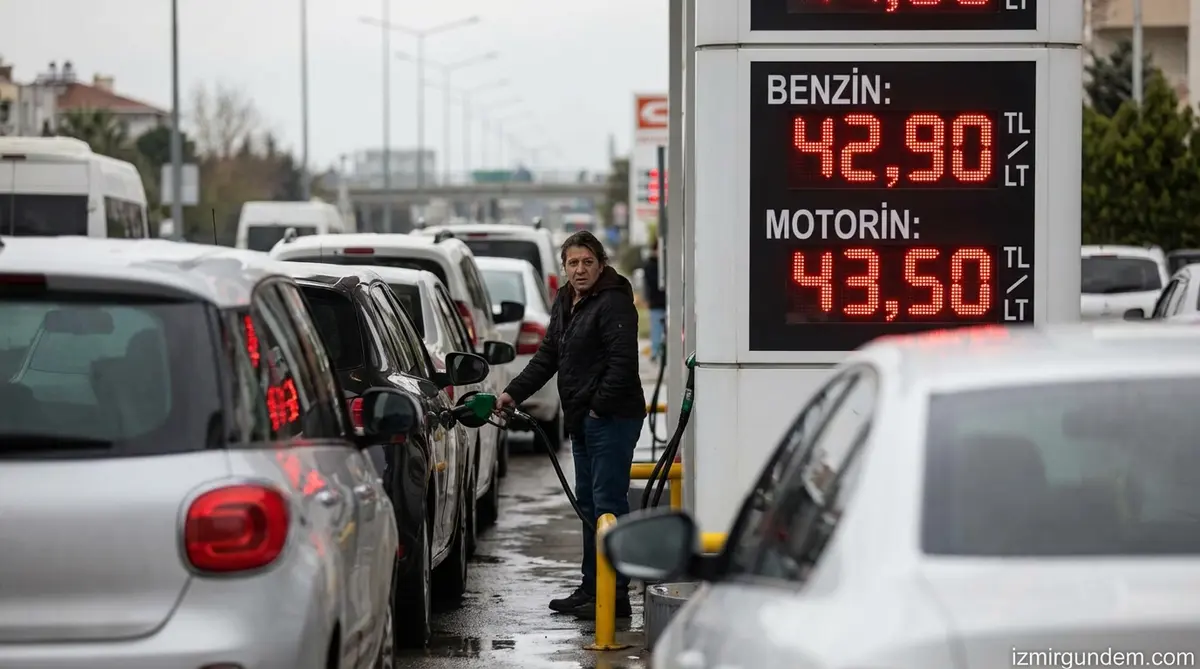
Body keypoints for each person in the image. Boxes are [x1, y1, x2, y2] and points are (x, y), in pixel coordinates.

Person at [496, 230, 647, 619]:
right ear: (564, 267)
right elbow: (548, 355)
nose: (580, 270)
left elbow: (622, 364)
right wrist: (512, 392)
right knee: (589, 507)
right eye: (573, 263)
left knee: (608, 507)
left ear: (601, 264)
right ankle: (591, 587)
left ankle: (615, 597)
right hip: (584, 421)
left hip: (611, 419)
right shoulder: (566, 300)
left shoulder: (614, 302)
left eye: (587, 262)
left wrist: (597, 408)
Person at [641, 242, 667, 362]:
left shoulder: (663, 263)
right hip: (656, 303)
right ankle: (656, 353)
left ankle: (660, 353)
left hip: (663, 303)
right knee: (657, 330)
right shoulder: (651, 265)